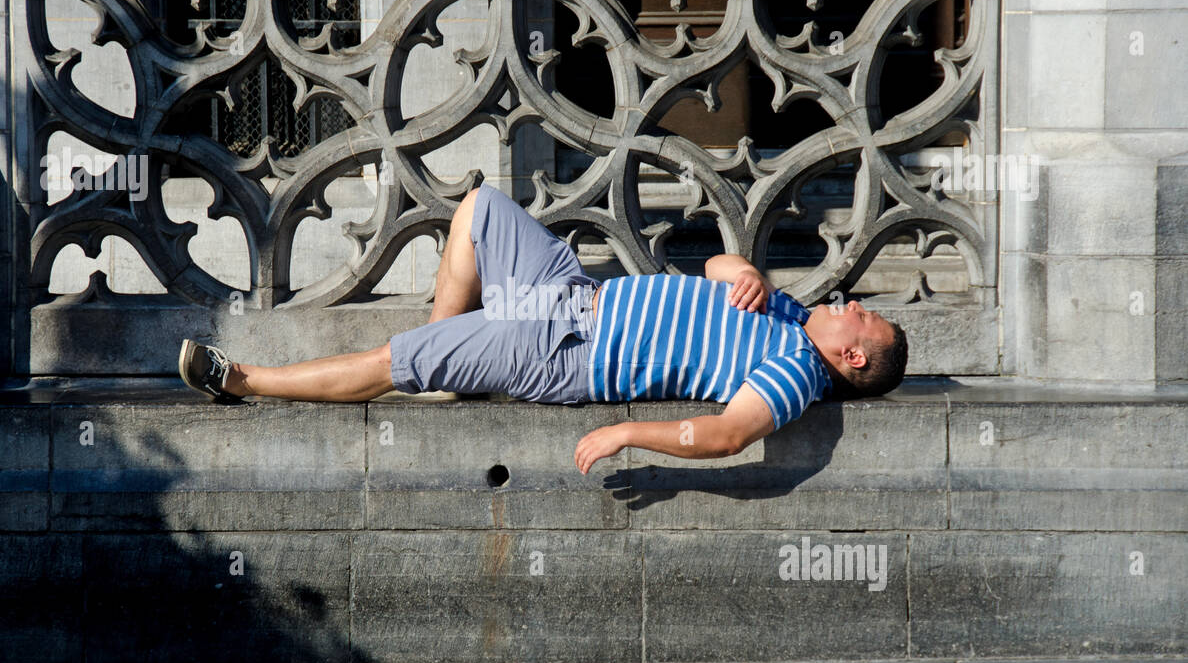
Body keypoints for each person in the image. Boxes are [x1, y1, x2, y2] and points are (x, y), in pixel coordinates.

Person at [179, 181, 907, 474]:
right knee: (480, 209)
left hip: (565, 349)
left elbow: (725, 436)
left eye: (857, 312)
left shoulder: (796, 374)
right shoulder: (787, 311)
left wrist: (628, 434)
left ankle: (240, 380)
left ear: (850, 354)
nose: (845, 298)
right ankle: (446, 364)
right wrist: (738, 266)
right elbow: (715, 268)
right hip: (571, 295)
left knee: (387, 361)